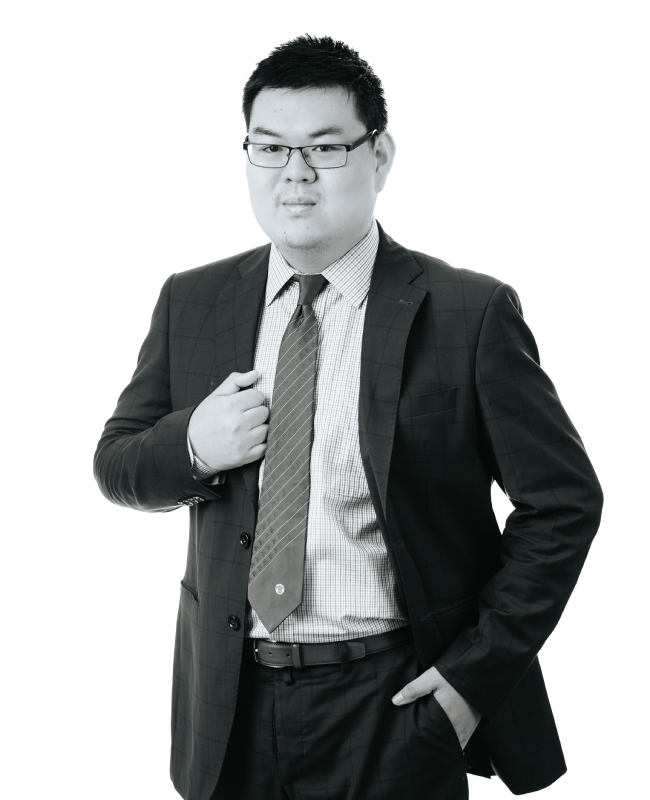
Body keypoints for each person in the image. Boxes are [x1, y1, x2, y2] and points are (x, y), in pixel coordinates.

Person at [94, 35, 603, 800]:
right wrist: (193, 444)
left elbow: (563, 504)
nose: (294, 173)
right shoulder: (192, 300)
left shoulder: (469, 312)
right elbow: (117, 463)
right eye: (270, 147)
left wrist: (468, 682)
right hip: (229, 708)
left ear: (379, 155)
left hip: (396, 705)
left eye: (325, 148)